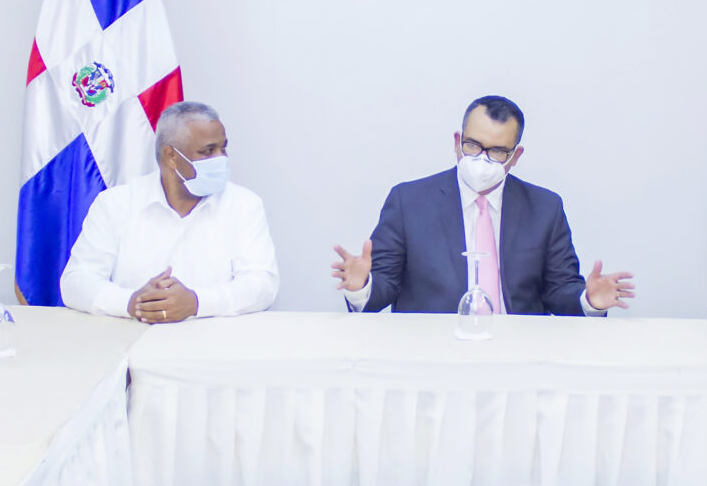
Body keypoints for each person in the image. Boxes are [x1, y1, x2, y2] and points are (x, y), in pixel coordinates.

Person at [331, 95, 633, 316]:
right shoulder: (408, 202)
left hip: (519, 358)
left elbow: (559, 291)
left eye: (498, 151)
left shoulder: (545, 208)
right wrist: (361, 284)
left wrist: (588, 300)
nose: (481, 158)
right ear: (457, 141)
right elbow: (382, 288)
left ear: (515, 156)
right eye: (473, 145)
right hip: (432, 355)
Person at [61, 101, 279, 324]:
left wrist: (196, 303)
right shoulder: (115, 204)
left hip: (215, 347)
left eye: (223, 148)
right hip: (131, 344)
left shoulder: (244, 205)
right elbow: (76, 281)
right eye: (208, 151)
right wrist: (133, 303)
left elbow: (262, 285)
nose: (221, 159)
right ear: (171, 156)